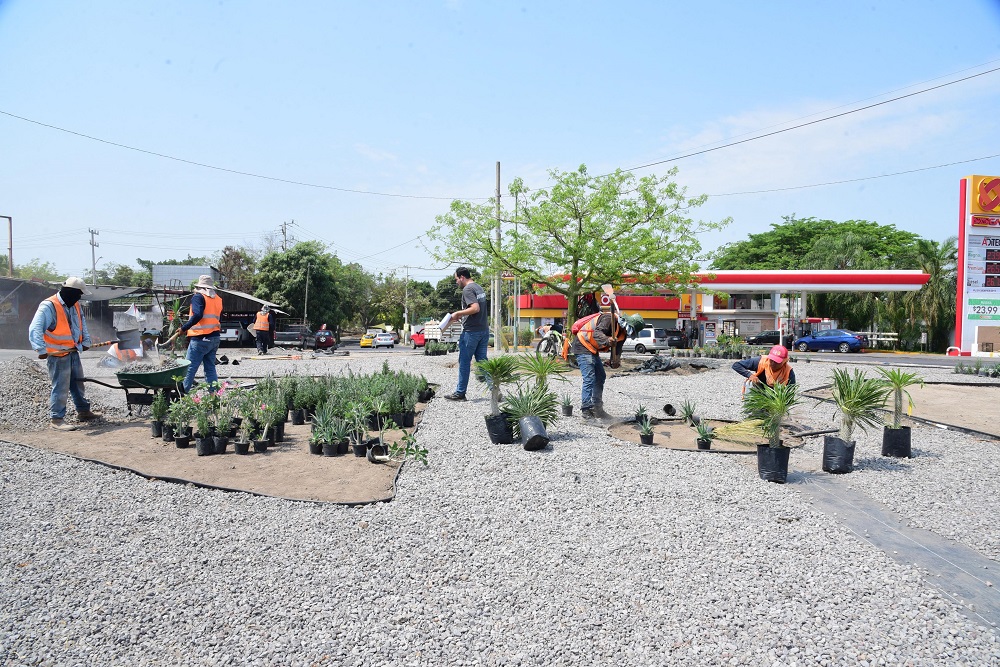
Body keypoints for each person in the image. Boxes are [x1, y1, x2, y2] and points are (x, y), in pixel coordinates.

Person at [28, 277, 103, 431]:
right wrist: (40, 350)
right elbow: (35, 328)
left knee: (78, 383)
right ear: (70, 292)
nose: (79, 298)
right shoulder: (49, 306)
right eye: (79, 294)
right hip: (57, 355)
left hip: (73, 351)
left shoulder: (75, 304)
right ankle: (56, 419)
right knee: (61, 387)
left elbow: (82, 324)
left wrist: (86, 342)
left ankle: (83, 411)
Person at [571, 308, 644, 419]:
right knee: (589, 378)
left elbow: (617, 350)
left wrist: (615, 361)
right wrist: (608, 339)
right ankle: (586, 411)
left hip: (592, 349)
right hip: (582, 345)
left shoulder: (623, 334)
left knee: (600, 376)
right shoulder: (608, 319)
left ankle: (597, 409)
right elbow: (597, 333)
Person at [443, 266, 489, 401]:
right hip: (483, 330)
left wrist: (458, 313)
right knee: (483, 362)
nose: (456, 282)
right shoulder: (478, 287)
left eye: (456, 279)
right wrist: (462, 317)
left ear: (462, 277)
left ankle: (460, 393)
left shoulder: (467, 289)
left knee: (464, 361)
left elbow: (475, 308)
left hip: (471, 333)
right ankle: (494, 390)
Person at [178, 275, 223, 393]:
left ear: (199, 286)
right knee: (210, 368)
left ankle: (180, 398)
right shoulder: (218, 299)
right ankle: (214, 397)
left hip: (200, 338)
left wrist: (184, 328)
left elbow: (198, 315)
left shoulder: (198, 297)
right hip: (214, 338)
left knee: (189, 368)